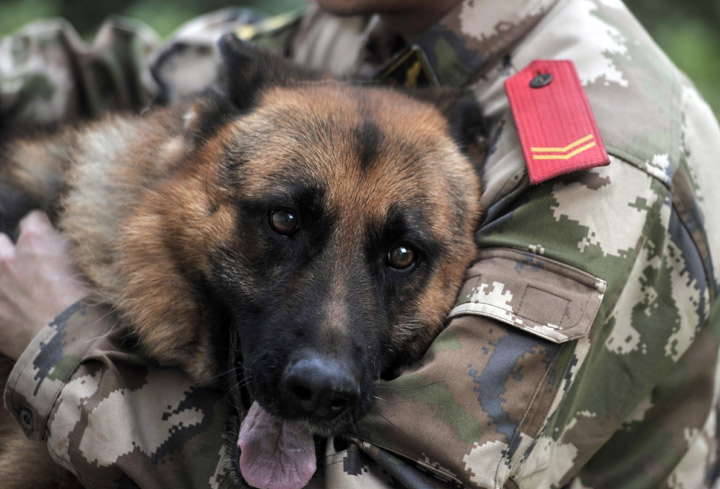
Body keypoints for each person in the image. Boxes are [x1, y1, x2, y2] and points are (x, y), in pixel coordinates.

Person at [2, 0, 720, 487]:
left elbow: (397, 479)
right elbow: (169, 66)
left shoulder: (603, 149)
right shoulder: (367, 17)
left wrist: (61, 345)